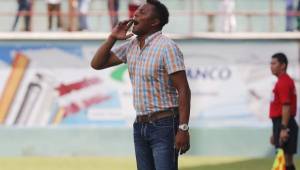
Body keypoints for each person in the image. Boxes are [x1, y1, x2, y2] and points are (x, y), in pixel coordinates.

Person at [91, 0, 191, 169]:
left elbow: (183, 90)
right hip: (140, 125)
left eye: (142, 12)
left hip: (165, 124)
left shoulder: (167, 47)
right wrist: (112, 37)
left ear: (154, 22)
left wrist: (183, 129)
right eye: (136, 11)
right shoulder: (132, 46)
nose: (135, 15)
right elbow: (97, 63)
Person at [269, 53, 298, 170]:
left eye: (274, 63)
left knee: (282, 161)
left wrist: (283, 129)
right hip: (283, 123)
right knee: (287, 161)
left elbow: (286, 107)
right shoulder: (283, 81)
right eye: (270, 63)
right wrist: (275, 132)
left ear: (283, 66)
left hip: (284, 123)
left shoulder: (283, 82)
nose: (271, 66)